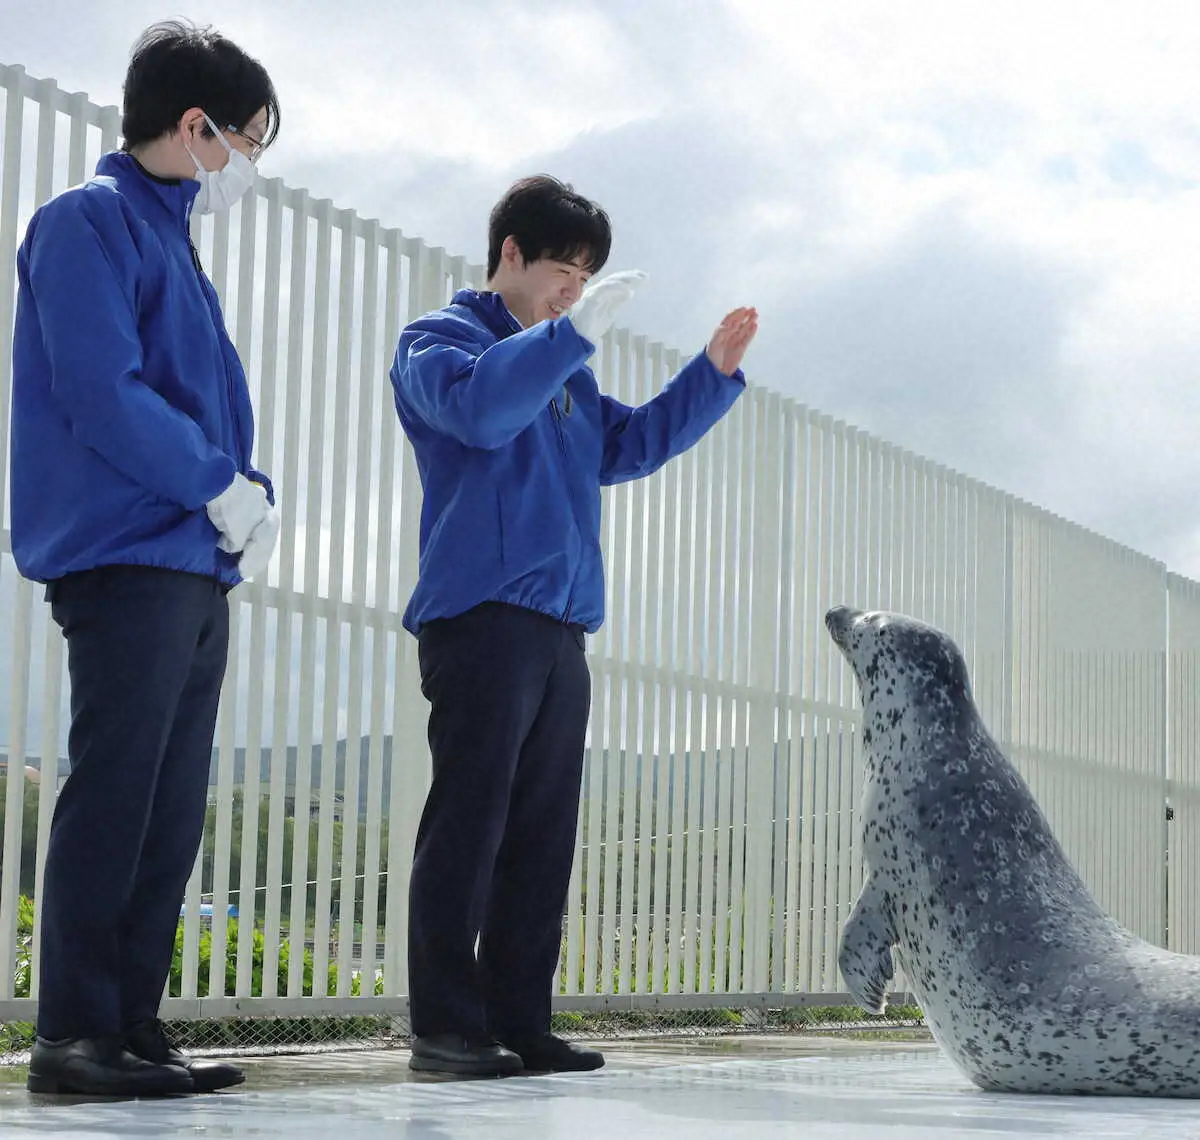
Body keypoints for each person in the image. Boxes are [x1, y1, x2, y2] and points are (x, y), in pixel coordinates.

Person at [390, 174, 758, 1076]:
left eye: (586, 277)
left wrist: (710, 373)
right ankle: (446, 1026)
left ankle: (520, 1020)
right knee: (469, 826)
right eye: (563, 269)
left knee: (541, 834)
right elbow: (482, 413)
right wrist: (569, 338)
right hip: (482, 619)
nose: (574, 290)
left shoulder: (567, 370)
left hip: (561, 630)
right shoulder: (440, 342)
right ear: (510, 254)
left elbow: (627, 444)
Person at [10, 20, 281, 1097]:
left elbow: (196, 400)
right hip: (127, 553)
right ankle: (73, 1035)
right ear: (195, 124)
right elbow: (102, 391)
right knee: (119, 790)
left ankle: (130, 1025)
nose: (247, 164)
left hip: (190, 558)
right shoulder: (87, 221)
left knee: (169, 806)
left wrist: (243, 493)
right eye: (247, 140)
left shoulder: (174, 240)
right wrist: (216, 482)